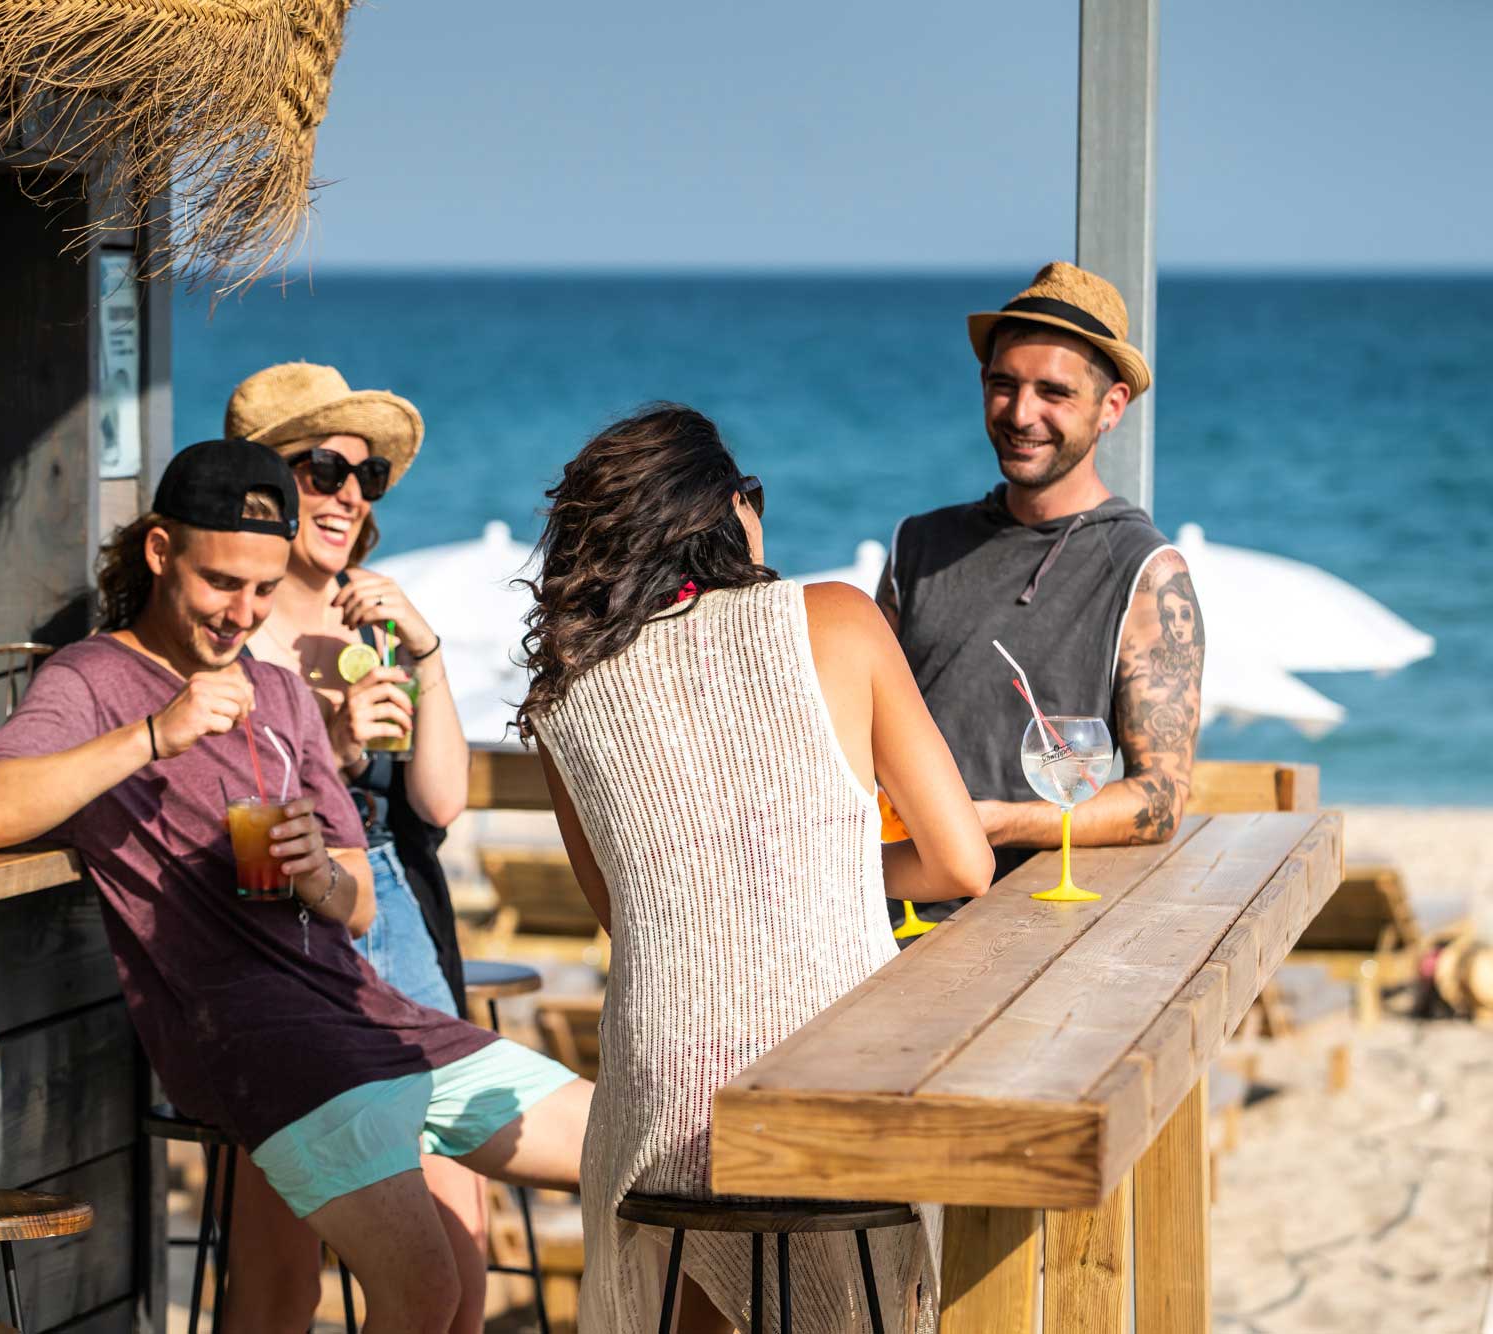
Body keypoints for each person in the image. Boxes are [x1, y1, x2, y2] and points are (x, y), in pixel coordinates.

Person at [0, 439, 589, 1334]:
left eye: (262, 586)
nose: (241, 612)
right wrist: (151, 737)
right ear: (160, 552)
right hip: (254, 1040)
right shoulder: (93, 678)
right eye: (220, 583)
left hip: (367, 1013)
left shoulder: (282, 694)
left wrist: (319, 872)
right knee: (427, 1289)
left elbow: (360, 899)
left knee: (629, 1148)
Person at [520, 406, 994, 1332]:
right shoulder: (839, 619)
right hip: (824, 1079)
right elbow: (960, 862)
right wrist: (832, 867)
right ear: (732, 511)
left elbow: (628, 914)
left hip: (662, 1092)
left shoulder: (565, 696)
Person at [223, 361, 501, 1331]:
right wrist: (333, 751)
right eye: (321, 468)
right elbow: (231, 822)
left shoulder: (371, 621)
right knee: (279, 1280)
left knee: (459, 1248)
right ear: (263, 486)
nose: (347, 492)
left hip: (398, 915)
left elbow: (440, 797)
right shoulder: (234, 631)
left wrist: (423, 653)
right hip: (287, 931)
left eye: (366, 476)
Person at [876, 261, 1207, 912]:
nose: (1021, 413)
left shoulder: (1147, 571)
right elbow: (861, 727)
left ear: (1111, 407)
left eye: (1053, 393)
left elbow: (1159, 799)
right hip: (880, 904)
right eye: (1004, 385)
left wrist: (1001, 821)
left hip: (1024, 923)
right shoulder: (917, 545)